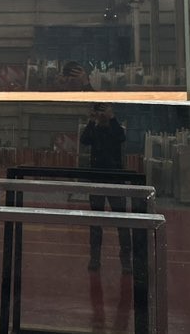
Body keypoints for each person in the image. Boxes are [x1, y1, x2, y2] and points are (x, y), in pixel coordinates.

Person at [80, 102, 131, 273]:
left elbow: (121, 137)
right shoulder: (95, 130)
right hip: (98, 179)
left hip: (114, 179)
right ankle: (95, 258)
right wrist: (92, 120)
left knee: (121, 220)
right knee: (96, 221)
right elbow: (84, 140)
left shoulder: (115, 129)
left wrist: (112, 118)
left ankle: (125, 259)